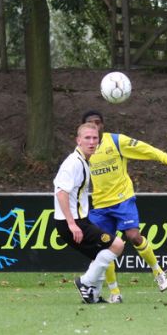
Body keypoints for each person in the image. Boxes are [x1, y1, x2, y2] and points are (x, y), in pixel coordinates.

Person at [82, 110, 167, 303]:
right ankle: (115, 293)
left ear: (103, 125)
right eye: (91, 123)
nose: (95, 126)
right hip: (100, 206)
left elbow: (146, 149)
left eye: (98, 122)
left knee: (133, 236)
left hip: (123, 200)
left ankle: (158, 271)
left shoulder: (116, 141)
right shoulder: (83, 151)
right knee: (103, 249)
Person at [53, 122, 125, 304]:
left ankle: (92, 295)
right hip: (72, 222)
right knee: (117, 245)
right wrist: (71, 224)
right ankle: (85, 282)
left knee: (100, 254)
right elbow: (61, 193)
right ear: (78, 140)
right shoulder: (73, 163)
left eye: (95, 138)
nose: (92, 142)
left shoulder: (83, 161)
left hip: (79, 220)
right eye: (87, 138)